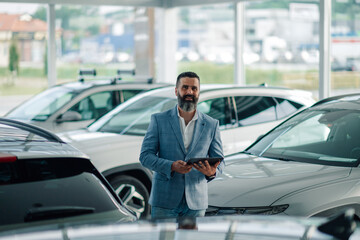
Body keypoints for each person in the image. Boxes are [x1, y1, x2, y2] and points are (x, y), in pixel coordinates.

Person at [139, 71, 224, 220]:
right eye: (185, 87)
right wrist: (171, 166)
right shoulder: (159, 120)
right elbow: (145, 157)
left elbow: (221, 162)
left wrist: (212, 172)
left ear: (198, 92)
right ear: (176, 90)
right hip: (164, 200)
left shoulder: (211, 124)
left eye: (194, 88)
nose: (189, 92)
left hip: (196, 203)